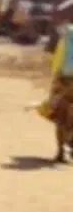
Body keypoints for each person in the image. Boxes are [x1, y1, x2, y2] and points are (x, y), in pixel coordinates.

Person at [40, 19, 73, 163]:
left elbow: (56, 61)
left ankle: (61, 151)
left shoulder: (65, 37)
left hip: (62, 80)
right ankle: (67, 147)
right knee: (65, 117)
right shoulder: (66, 35)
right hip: (64, 81)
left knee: (61, 117)